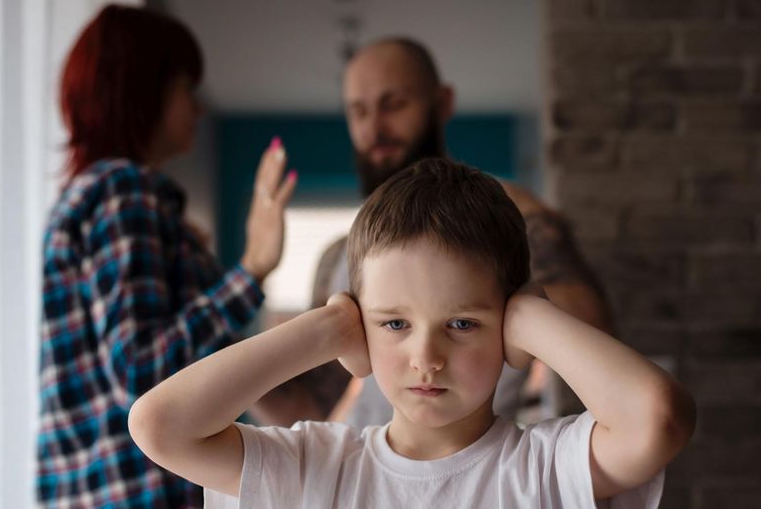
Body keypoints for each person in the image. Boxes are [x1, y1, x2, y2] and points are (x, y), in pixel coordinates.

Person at [129, 158, 695, 508]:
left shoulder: (544, 468)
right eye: (394, 323)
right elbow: (159, 426)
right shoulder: (315, 467)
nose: (427, 357)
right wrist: (328, 329)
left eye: (462, 324)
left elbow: (659, 418)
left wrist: (529, 318)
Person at [263, 36, 614, 428]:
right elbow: (310, 409)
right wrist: (247, 278)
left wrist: (519, 227)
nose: (374, 129)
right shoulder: (338, 258)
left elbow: (593, 329)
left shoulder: (508, 221)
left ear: (442, 102)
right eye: (359, 112)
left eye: (393, 105)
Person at [37, 5, 296, 507]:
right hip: (138, 491)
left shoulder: (95, 193)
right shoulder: (123, 192)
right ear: (143, 91)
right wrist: (252, 270)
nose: (198, 108)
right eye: (186, 89)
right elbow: (141, 372)